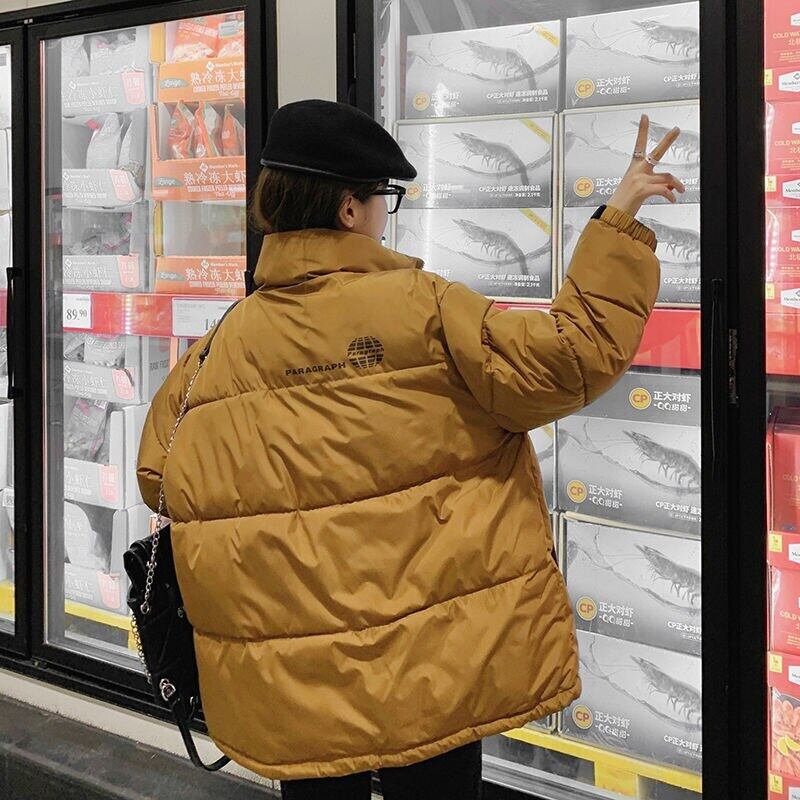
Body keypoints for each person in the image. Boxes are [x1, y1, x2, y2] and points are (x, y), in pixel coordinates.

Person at [137, 99, 682, 800]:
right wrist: (618, 221)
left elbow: (158, 475)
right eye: (382, 198)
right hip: (432, 667)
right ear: (349, 210)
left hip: (297, 686)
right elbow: (567, 358)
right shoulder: (426, 309)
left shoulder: (220, 346)